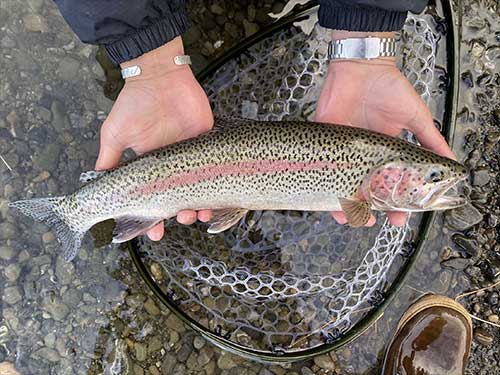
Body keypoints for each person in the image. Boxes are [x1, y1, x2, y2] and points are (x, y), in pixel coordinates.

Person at [53, 1, 472, 374]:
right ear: (393, 174)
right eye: (432, 177)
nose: (437, 184)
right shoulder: (364, 193)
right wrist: (149, 61)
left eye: (432, 178)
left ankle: (80, 210)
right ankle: (77, 211)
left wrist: (148, 56)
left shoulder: (366, 181)